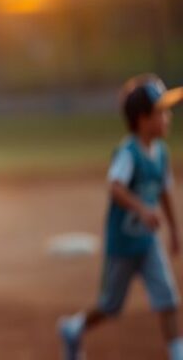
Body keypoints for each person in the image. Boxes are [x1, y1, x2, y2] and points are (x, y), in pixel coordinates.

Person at [59, 74, 183, 360]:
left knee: (168, 300)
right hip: (122, 245)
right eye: (161, 112)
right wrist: (141, 207)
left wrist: (175, 230)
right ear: (142, 119)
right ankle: (73, 328)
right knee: (109, 307)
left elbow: (164, 192)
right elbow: (115, 186)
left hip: (148, 243)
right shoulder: (129, 152)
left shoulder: (161, 153)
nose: (168, 117)